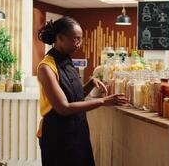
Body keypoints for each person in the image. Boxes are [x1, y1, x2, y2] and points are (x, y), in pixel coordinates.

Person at [36, 16, 127, 166]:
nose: (78, 44)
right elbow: (63, 107)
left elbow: (74, 98)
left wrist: (90, 84)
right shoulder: (46, 67)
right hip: (57, 135)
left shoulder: (67, 59)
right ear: (60, 38)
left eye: (80, 39)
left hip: (77, 131)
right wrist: (103, 101)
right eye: (75, 39)